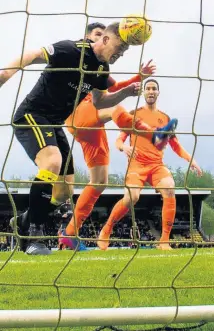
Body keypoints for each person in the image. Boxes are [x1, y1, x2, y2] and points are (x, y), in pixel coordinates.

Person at [0, 23, 142, 255]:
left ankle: (25, 218)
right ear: (105, 40)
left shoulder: (102, 69)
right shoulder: (70, 50)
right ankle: (33, 236)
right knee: (52, 162)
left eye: (125, 51)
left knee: (64, 192)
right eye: (119, 47)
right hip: (31, 115)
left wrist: (125, 92)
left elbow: (99, 102)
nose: (121, 53)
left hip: (53, 124)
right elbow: (33, 54)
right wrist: (5, 74)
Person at [58, 23, 171, 250]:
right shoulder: (79, 56)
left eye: (105, 35)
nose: (104, 39)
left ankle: (69, 234)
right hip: (79, 113)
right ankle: (146, 133)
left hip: (93, 127)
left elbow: (114, 86)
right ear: (88, 38)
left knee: (99, 182)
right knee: (116, 110)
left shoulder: (102, 68)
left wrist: (138, 77)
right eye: (98, 35)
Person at [97, 78, 202, 251]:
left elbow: (175, 145)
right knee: (132, 198)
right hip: (136, 166)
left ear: (158, 93)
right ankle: (106, 230)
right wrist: (124, 147)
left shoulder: (164, 118)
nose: (151, 91)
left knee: (169, 187)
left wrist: (191, 160)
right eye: (148, 88)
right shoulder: (134, 114)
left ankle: (164, 241)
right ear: (144, 92)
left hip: (156, 166)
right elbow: (118, 140)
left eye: (154, 88)